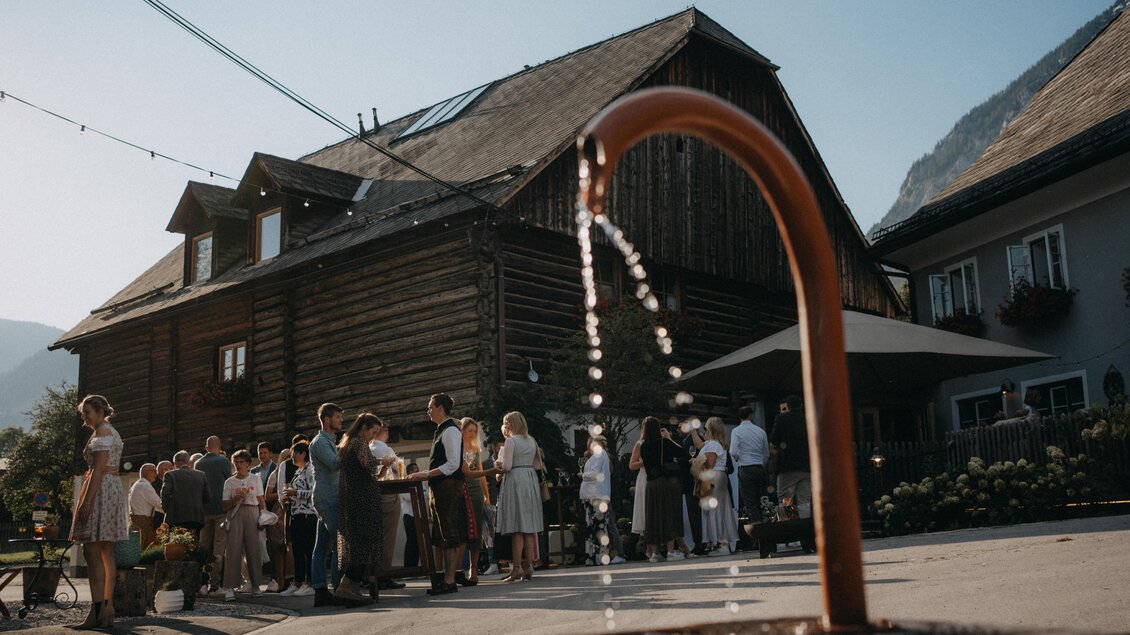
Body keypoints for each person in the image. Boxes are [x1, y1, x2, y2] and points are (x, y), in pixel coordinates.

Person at [69, 394, 128, 629]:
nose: (85, 418)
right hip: (111, 488)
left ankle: (96, 613)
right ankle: (107, 609)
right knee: (106, 553)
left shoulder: (102, 432)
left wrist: (86, 502)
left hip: (101, 489)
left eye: (88, 413)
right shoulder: (110, 431)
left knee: (92, 554)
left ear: (101, 411)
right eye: (83, 414)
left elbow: (99, 468)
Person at [407, 393, 467, 595]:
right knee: (442, 533)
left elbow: (452, 464)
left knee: (449, 532)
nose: (428, 410)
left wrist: (424, 473)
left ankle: (450, 580)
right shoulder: (442, 430)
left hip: (449, 486)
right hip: (440, 486)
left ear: (440, 407)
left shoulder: (450, 431)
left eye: (430, 406)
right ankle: (446, 579)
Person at [336, 412, 390, 605]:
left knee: (360, 544)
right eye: (373, 432)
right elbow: (367, 464)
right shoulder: (358, 442)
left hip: (356, 498)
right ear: (364, 428)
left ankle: (353, 587)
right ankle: (347, 586)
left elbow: (367, 472)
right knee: (362, 543)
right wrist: (383, 461)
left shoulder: (350, 442)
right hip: (360, 501)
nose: (373, 436)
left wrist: (381, 469)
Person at [493, 411, 544, 582]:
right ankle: (528, 566)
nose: (505, 426)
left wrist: (497, 466)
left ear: (511, 424)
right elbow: (538, 464)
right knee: (528, 528)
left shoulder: (510, 441)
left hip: (515, 480)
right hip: (530, 479)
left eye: (506, 423)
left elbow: (507, 466)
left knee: (516, 527)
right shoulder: (532, 440)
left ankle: (516, 569)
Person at [310, 402, 344, 607]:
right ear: (327, 419)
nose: (341, 421)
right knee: (340, 542)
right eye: (338, 417)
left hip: (328, 497)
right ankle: (339, 589)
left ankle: (320, 591)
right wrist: (351, 451)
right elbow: (334, 464)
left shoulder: (331, 440)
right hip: (327, 498)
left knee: (321, 547)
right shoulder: (320, 442)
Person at [221, 450, 267, 601]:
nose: (238, 465)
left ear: (248, 463)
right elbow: (224, 505)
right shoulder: (230, 482)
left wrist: (263, 516)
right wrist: (235, 498)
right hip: (236, 514)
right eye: (236, 462)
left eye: (241, 462)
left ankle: (255, 585)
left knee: (254, 549)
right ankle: (230, 587)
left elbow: (261, 500)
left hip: (252, 513)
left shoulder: (255, 479)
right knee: (233, 550)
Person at [640, 417, 685, 563]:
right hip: (665, 482)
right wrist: (668, 438)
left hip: (651, 484)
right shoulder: (664, 443)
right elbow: (681, 452)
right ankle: (671, 552)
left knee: (652, 517)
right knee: (668, 515)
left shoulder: (644, 446)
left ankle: (654, 553)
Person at [458, 417, 498, 585]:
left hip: (476, 491)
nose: (472, 433)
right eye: (469, 430)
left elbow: (482, 475)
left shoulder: (476, 449)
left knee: (478, 530)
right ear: (462, 431)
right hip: (461, 489)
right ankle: (460, 569)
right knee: (463, 529)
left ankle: (473, 569)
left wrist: (486, 496)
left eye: (475, 431)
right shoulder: (457, 448)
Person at [369, 421, 406, 590]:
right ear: (384, 432)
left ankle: (371, 575)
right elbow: (400, 471)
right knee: (388, 536)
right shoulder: (385, 449)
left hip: (372, 495)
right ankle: (384, 575)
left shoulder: (368, 449)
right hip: (388, 494)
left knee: (375, 536)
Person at [196, 435, 232, 594]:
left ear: (206, 447)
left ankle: (202, 583)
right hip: (220, 509)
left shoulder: (198, 463)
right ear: (219, 446)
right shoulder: (223, 461)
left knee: (204, 546)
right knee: (218, 548)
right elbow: (229, 482)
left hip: (204, 510)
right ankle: (215, 585)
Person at [280, 441, 316, 597]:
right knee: (297, 551)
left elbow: (313, 492)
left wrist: (296, 493)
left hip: (308, 515)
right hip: (296, 514)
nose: (291, 456)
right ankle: (298, 581)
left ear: (302, 453)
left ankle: (310, 582)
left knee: (308, 550)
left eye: (294, 453)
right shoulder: (298, 471)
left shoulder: (310, 470)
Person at [699, 418, 739, 556]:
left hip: (713, 477)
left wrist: (696, 464)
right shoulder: (718, 444)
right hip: (720, 477)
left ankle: (721, 543)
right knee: (721, 509)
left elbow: (709, 464)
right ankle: (721, 542)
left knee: (715, 510)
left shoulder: (713, 446)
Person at [770, 395, 811, 518]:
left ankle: (787, 529)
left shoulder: (781, 419)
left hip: (786, 466)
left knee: (785, 500)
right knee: (804, 501)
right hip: (806, 465)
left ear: (788, 406)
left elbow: (774, 440)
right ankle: (805, 530)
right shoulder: (808, 419)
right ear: (801, 405)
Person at [730, 405, 769, 522]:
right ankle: (767, 525)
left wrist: (739, 460)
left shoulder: (736, 431)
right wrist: (761, 463)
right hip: (759, 467)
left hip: (745, 468)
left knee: (750, 502)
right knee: (762, 500)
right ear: (750, 415)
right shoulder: (761, 431)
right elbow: (766, 453)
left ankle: (757, 531)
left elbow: (733, 452)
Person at [579, 435, 613, 565]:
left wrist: (583, 475)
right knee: (594, 526)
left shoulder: (600, 455)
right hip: (592, 494)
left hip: (596, 495)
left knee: (598, 526)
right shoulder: (597, 457)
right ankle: (594, 555)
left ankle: (598, 556)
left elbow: (595, 474)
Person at [161, 450, 210, 533]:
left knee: (177, 543)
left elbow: (165, 492)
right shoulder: (201, 475)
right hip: (196, 516)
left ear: (175, 462)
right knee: (194, 542)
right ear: (188, 462)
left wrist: (166, 509)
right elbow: (207, 496)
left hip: (176, 516)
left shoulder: (170, 475)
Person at [129, 463, 163, 549]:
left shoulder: (137, 484)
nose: (156, 474)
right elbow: (158, 503)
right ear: (146, 473)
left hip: (136, 519)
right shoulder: (145, 486)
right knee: (144, 546)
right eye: (154, 471)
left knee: (139, 545)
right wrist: (170, 510)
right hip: (143, 521)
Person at [400, 462, 426, 568]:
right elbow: (408, 497)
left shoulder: (420, 484)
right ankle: (409, 567)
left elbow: (427, 494)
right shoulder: (404, 483)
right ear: (409, 472)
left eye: (417, 469)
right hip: (409, 516)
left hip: (419, 516)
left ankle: (416, 567)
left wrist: (417, 494)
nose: (416, 471)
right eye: (413, 469)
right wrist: (418, 493)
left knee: (419, 542)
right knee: (412, 541)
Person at [628, 437, 648, 554]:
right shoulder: (640, 443)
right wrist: (645, 461)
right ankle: (649, 548)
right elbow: (632, 464)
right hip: (644, 476)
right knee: (644, 510)